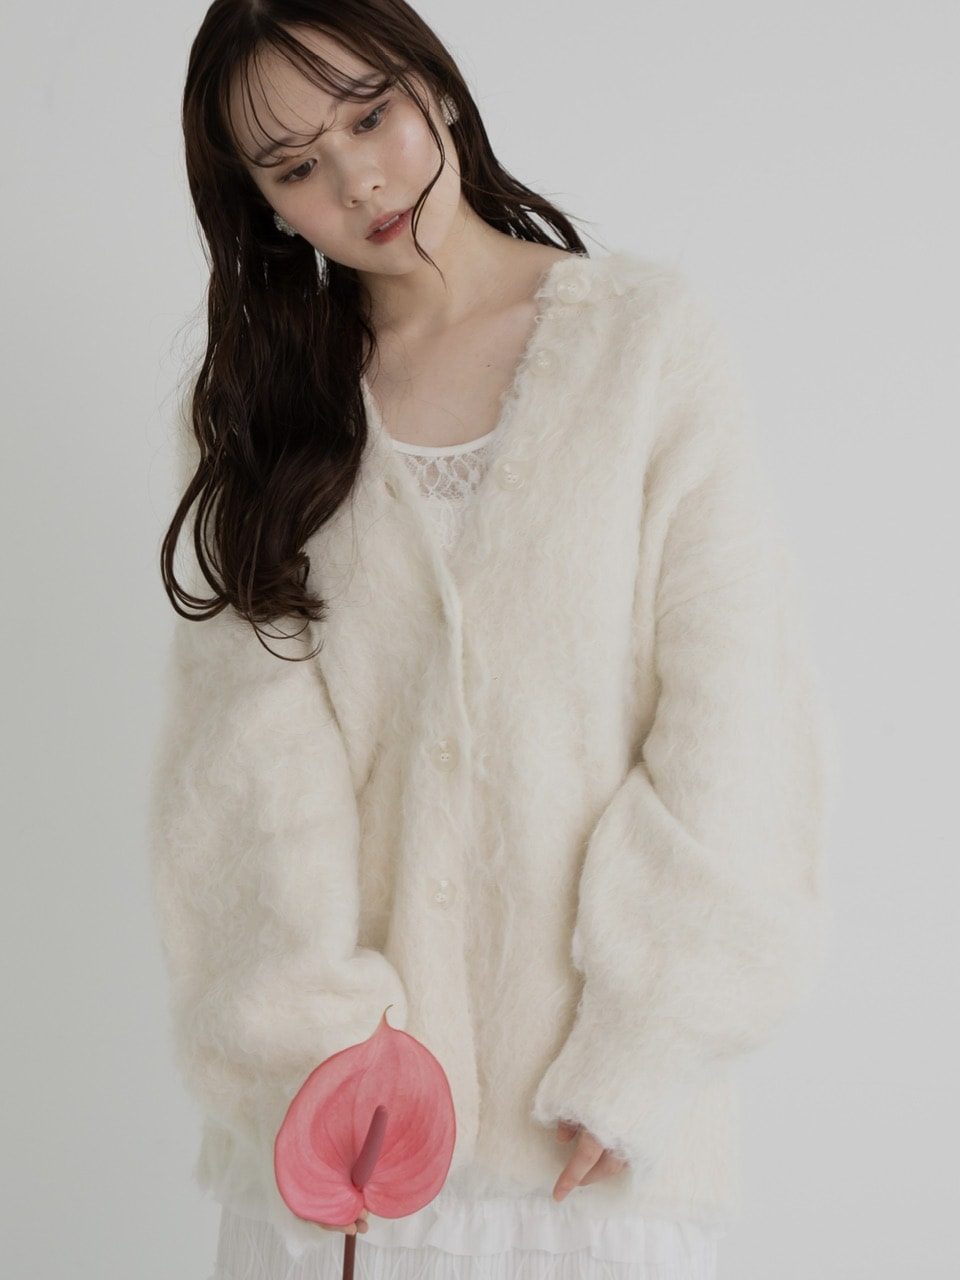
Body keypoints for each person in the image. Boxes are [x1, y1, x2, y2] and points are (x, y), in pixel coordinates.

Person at [151, 2, 829, 1278]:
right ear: (262, 206)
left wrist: (644, 1045)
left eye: (371, 115)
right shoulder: (260, 420)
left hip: (597, 1153)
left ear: (436, 87)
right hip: (345, 1172)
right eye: (297, 166)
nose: (360, 179)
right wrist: (323, 1063)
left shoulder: (645, 346)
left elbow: (737, 716)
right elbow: (242, 788)